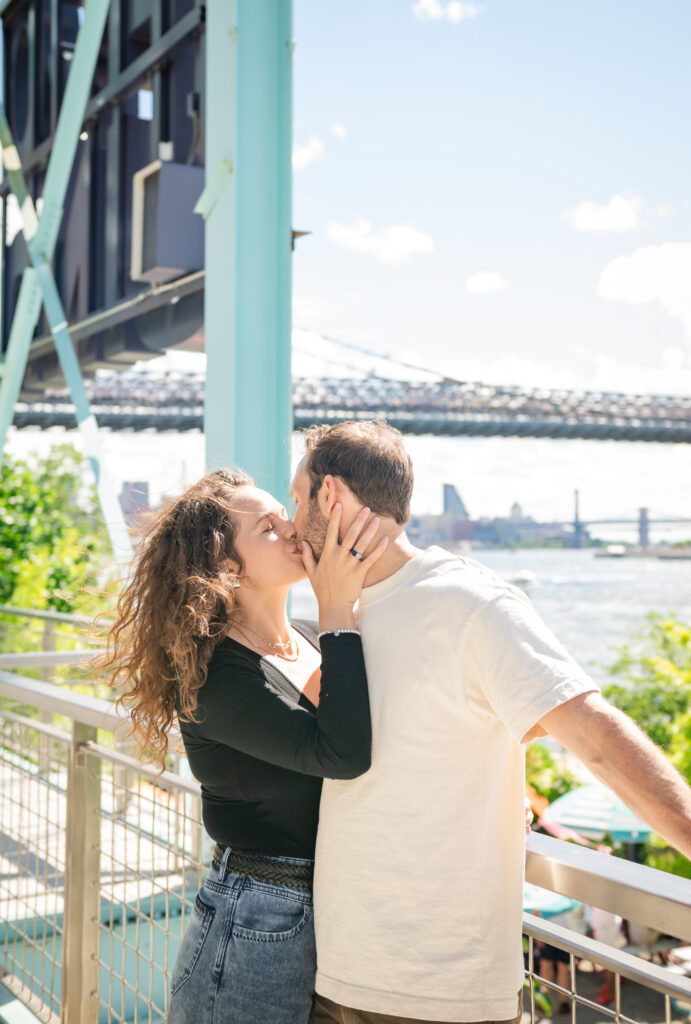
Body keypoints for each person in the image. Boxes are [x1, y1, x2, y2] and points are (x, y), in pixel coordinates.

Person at [290, 419, 691, 1024]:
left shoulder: (470, 604)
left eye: (296, 498)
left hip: (444, 993)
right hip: (338, 975)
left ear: (330, 496)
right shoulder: (338, 613)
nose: (291, 522)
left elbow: (594, 735)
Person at [98, 468, 388, 1024]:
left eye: (286, 512)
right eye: (268, 528)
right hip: (257, 922)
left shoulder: (309, 637)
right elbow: (344, 754)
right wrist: (338, 610)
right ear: (227, 566)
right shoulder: (216, 677)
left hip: (336, 907)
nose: (294, 526)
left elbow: (382, 733)